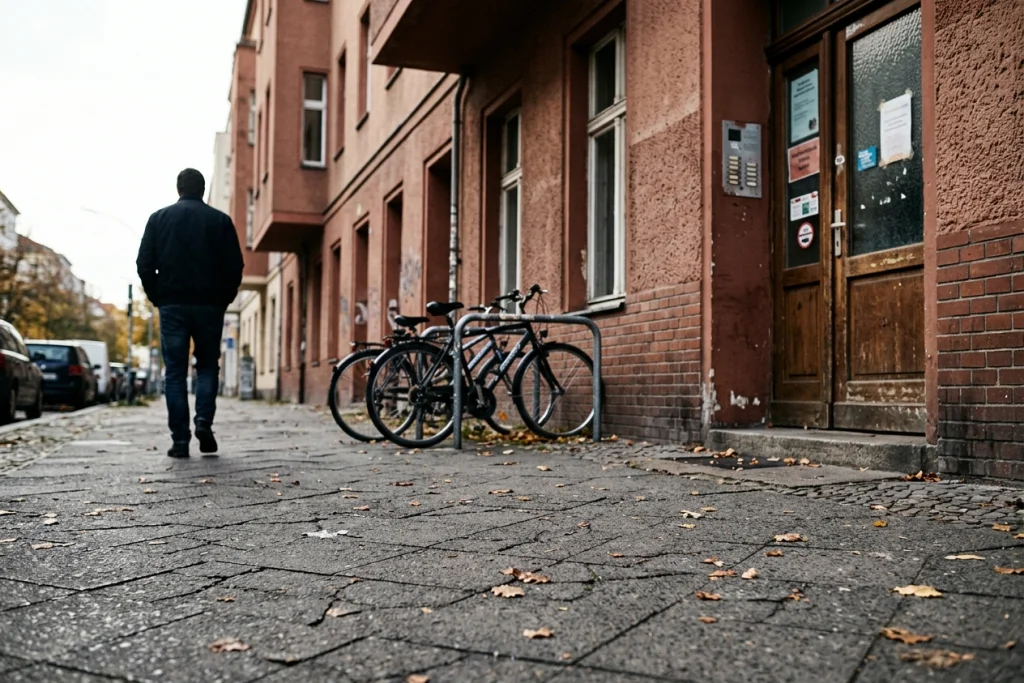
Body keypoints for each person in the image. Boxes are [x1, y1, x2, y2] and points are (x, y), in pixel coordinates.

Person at [136, 169, 244, 458]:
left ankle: (180, 441)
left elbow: (144, 264)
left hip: (172, 305)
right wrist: (224, 299)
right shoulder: (220, 221)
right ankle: (204, 423)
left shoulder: (159, 219)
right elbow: (235, 267)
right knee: (207, 366)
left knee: (174, 373)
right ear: (202, 188)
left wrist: (157, 297)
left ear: (178, 188)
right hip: (210, 306)